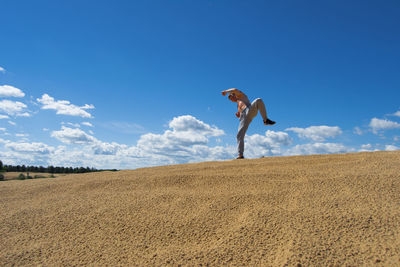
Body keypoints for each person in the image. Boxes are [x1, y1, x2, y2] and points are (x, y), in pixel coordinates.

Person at [222, 88, 276, 159]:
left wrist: (226, 91)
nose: (231, 100)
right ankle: (240, 155)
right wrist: (239, 115)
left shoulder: (242, 96)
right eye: (230, 99)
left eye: (231, 97)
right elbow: (240, 114)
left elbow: (234, 89)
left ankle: (265, 120)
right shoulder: (237, 105)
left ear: (235, 95)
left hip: (249, 110)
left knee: (258, 100)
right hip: (244, 118)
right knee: (239, 135)